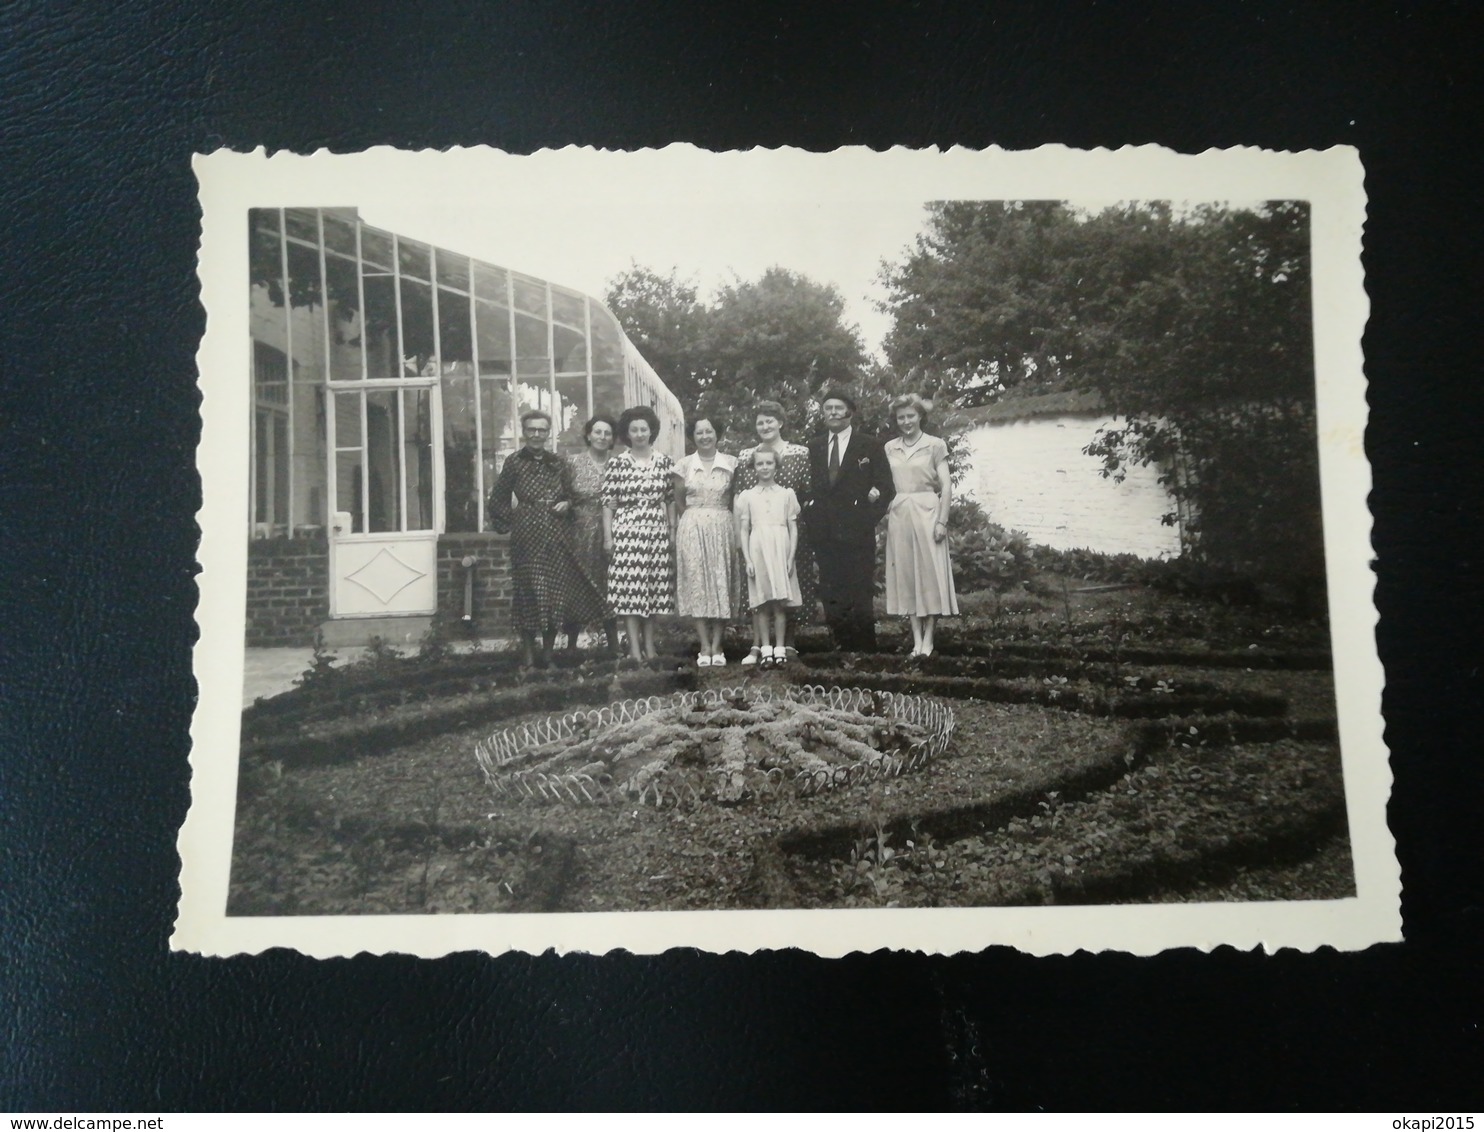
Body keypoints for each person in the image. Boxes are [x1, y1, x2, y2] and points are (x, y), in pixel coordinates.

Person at [486, 409, 604, 668]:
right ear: (524, 432)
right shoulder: (514, 462)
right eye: (532, 430)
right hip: (526, 535)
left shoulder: (558, 462)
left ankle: (549, 654)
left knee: (553, 593)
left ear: (548, 433)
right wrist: (509, 523)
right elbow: (498, 498)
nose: (537, 435)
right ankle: (529, 655)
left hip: (556, 533)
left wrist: (566, 503)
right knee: (528, 591)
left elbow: (573, 494)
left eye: (542, 430)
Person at [806, 389, 895, 651]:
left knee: (859, 590)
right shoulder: (814, 446)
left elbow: (886, 488)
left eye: (838, 408)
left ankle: (865, 648)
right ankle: (838, 646)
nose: (832, 412)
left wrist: (866, 520)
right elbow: (806, 488)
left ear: (850, 412)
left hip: (858, 533)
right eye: (827, 408)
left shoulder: (869, 445)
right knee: (831, 592)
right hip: (825, 533)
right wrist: (812, 518)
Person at [733, 399, 815, 665]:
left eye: (770, 421)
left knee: (788, 586)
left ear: (780, 423)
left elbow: (806, 492)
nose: (765, 426)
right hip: (757, 531)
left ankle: (787, 643)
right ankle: (758, 644)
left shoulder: (799, 453)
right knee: (760, 590)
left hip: (788, 530)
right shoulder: (747, 456)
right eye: (760, 422)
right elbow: (739, 498)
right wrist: (740, 538)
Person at [883, 393, 958, 658]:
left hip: (928, 510)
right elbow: (883, 484)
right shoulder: (890, 447)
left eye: (911, 416)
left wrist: (942, 520)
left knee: (930, 574)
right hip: (900, 513)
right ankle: (916, 640)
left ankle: (929, 638)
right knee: (906, 576)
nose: (906, 421)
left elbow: (946, 485)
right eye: (901, 417)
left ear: (920, 416)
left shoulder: (935, 445)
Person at [601, 405, 676, 662]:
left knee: (653, 591)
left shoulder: (665, 462)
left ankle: (650, 648)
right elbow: (608, 503)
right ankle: (634, 650)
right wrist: (608, 538)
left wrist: (672, 532)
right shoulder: (618, 463)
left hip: (656, 531)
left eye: (644, 429)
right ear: (627, 433)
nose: (640, 433)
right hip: (627, 531)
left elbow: (670, 500)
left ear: (651, 431)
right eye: (634, 429)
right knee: (630, 593)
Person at [673, 416, 739, 667]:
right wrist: (693, 519)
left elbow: (735, 497)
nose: (704, 437)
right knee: (697, 581)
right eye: (699, 432)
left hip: (723, 525)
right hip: (692, 525)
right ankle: (704, 645)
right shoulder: (684, 465)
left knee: (721, 579)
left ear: (717, 434)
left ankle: (718, 645)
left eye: (709, 431)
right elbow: (679, 499)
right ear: (693, 436)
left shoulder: (732, 463)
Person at [733, 447, 801, 668]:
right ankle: (766, 650)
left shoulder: (786, 494)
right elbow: (744, 529)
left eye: (769, 463)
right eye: (760, 464)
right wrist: (748, 560)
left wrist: (791, 558)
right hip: (758, 549)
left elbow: (793, 528)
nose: (764, 468)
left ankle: (780, 649)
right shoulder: (747, 496)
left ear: (776, 465)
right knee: (761, 604)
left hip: (780, 548)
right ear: (754, 467)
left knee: (780, 603)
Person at [564, 414, 622, 656]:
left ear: (612, 439)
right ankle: (571, 645)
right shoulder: (573, 464)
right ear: (589, 435)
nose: (602, 437)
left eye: (607, 433)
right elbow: (562, 494)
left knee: (610, 584)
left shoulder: (620, 464)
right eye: (598, 432)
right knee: (578, 583)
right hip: (580, 533)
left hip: (613, 531)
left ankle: (613, 643)